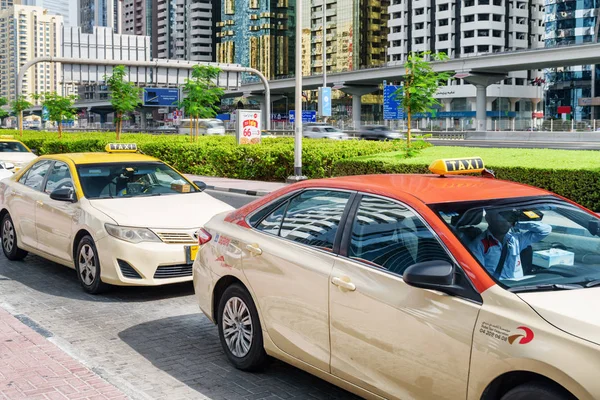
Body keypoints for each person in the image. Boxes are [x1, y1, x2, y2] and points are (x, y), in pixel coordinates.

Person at [468, 209, 552, 280]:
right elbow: (479, 278)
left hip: (520, 288)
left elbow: (545, 230)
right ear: (488, 219)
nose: (505, 221)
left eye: (508, 217)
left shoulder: (516, 240)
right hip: (499, 291)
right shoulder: (479, 245)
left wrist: (515, 223)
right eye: (500, 217)